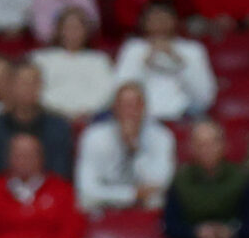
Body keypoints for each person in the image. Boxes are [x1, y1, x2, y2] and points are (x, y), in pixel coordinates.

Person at [74, 82, 174, 214]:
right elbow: (86, 190)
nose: (130, 112)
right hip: (103, 210)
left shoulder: (161, 136)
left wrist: (135, 149)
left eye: (135, 105)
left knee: (158, 200)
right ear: (114, 108)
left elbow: (160, 184)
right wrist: (130, 194)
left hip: (146, 211)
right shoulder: (94, 136)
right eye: (124, 106)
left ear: (144, 107)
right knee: (85, 202)